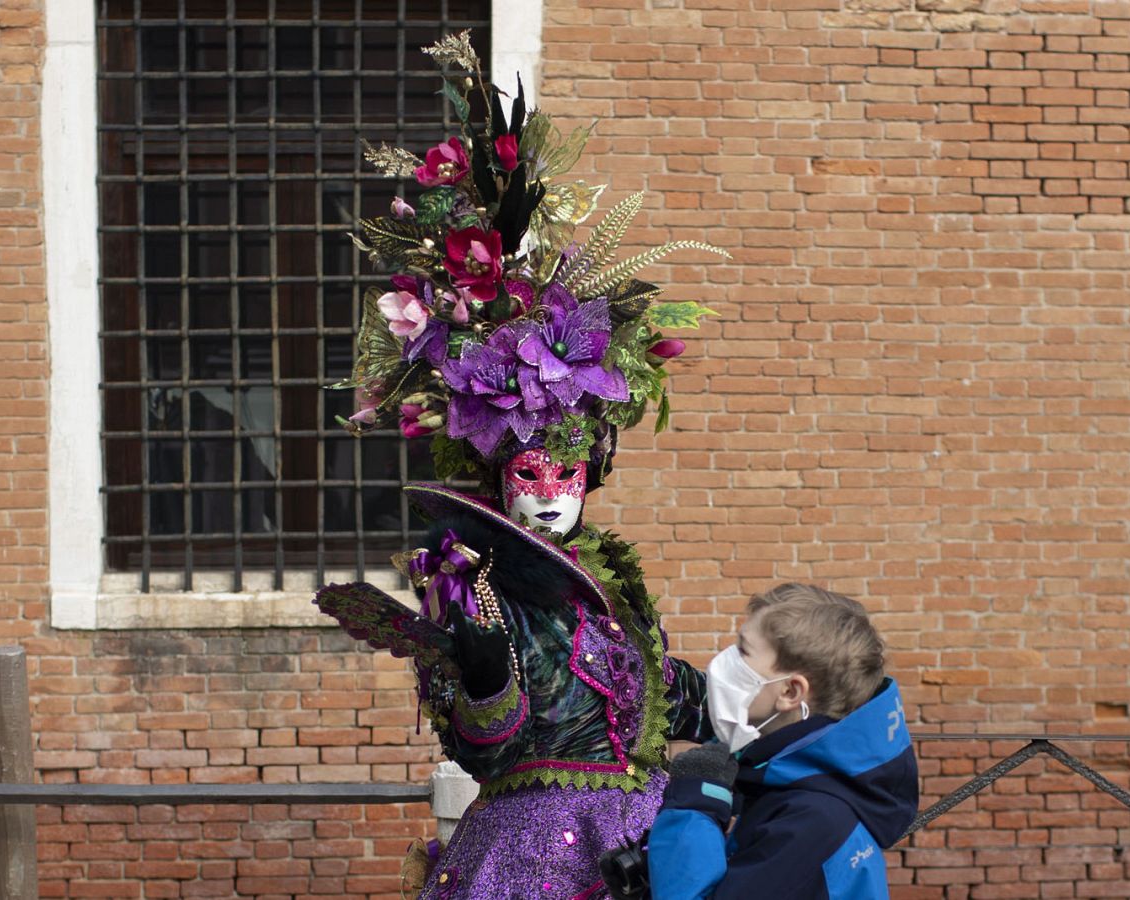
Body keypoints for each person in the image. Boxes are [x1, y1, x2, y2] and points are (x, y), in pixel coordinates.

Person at [313, 30, 728, 899]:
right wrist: (485, 669)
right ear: (497, 474)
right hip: (536, 854)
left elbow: (663, 702)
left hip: (646, 846)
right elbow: (485, 742)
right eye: (529, 476)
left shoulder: (612, 583)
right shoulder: (476, 584)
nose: (548, 498)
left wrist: (777, 698)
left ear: (592, 476)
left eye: (565, 478)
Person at [646, 584, 920, 899]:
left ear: (790, 692)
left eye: (743, 651)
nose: (725, 661)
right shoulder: (793, 784)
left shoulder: (811, 822)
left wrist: (693, 807)